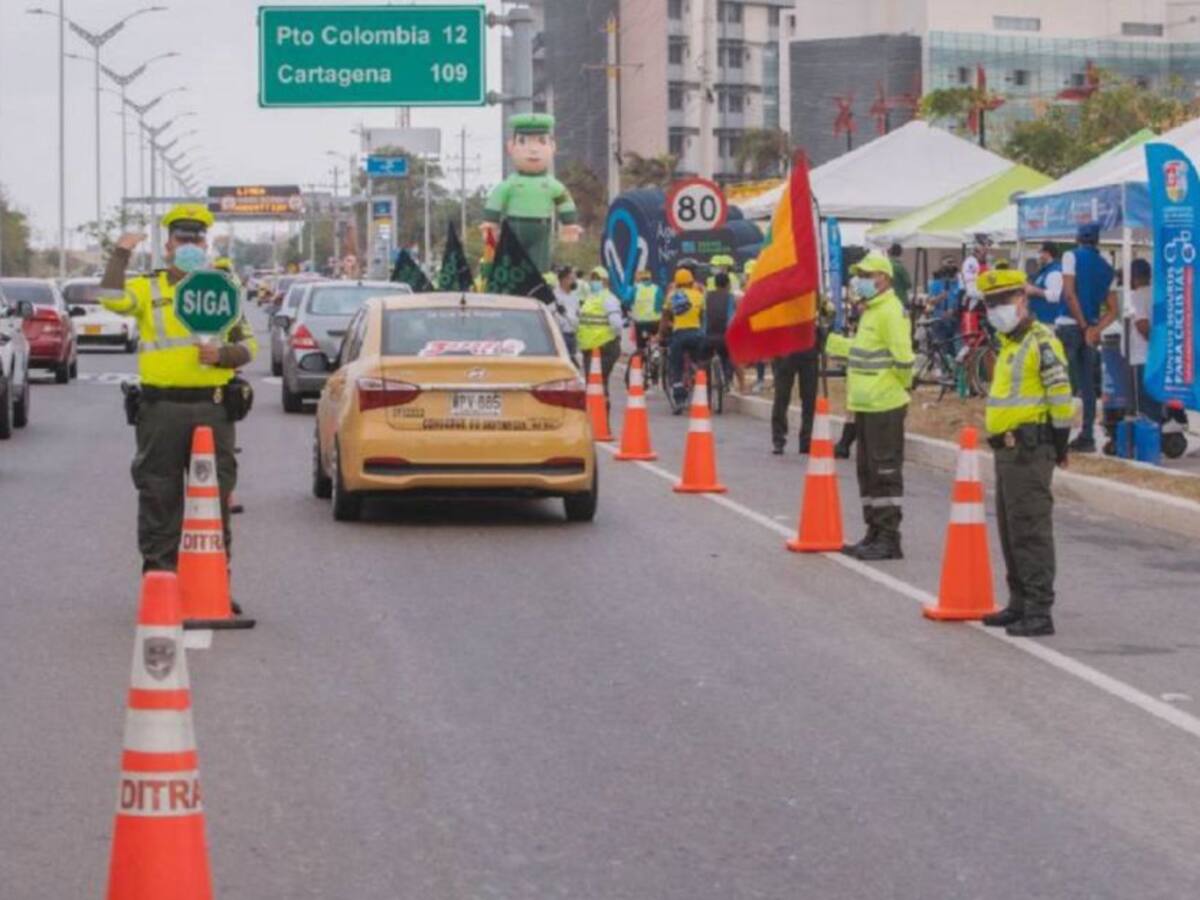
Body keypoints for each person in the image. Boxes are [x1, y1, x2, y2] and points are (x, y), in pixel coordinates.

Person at [99, 203, 257, 573]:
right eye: (182, 238)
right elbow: (109, 297)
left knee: (214, 498)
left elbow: (249, 346)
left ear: (207, 245)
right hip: (161, 410)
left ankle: (215, 581)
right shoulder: (147, 287)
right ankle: (160, 578)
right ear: (168, 245)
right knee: (158, 495)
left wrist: (222, 354)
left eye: (197, 238)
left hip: (213, 407)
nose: (190, 244)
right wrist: (121, 252)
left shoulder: (222, 289)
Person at [976, 269, 1073, 637]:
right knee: (1010, 528)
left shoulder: (1041, 341)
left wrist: (1060, 446)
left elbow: (1060, 398)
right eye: (990, 303)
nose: (996, 309)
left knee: (1030, 529)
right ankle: (1018, 603)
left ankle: (1038, 609)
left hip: (1031, 447)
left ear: (1022, 300)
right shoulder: (1010, 343)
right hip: (1008, 450)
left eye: (1003, 301)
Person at [824, 250, 913, 560]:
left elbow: (904, 359)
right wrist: (830, 341)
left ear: (884, 278)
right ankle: (873, 531)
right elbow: (863, 351)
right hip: (866, 404)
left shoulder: (891, 311)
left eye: (866, 276)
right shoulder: (872, 311)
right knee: (867, 471)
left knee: (884, 471)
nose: (859, 281)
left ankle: (889, 537)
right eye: (859, 276)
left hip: (884, 404)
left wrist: (897, 387)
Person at [1057, 223, 1115, 453]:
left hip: (1070, 327)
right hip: (1090, 331)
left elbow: (1069, 294)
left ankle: (1056, 433)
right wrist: (1094, 329)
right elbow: (1113, 310)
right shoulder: (1107, 266)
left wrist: (1082, 325)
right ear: (1097, 241)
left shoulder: (1071, 256)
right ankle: (1087, 437)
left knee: (1059, 382)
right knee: (1087, 386)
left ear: (1077, 237)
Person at [660, 267, 707, 411]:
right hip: (697, 335)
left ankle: (679, 397)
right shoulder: (699, 296)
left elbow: (665, 318)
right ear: (691, 282)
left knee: (676, 366)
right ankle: (701, 380)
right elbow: (703, 317)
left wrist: (661, 334)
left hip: (679, 336)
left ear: (677, 283)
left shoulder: (672, 296)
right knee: (700, 361)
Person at [577, 266, 623, 401]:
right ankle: (597, 414)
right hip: (589, 349)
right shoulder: (590, 299)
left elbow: (616, 324)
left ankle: (602, 413)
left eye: (597, 279)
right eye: (592, 279)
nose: (594, 282)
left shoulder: (609, 299)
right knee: (594, 385)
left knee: (597, 384)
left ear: (605, 282)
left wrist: (613, 338)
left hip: (603, 348)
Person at [1125, 258, 1161, 422]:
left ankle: (1151, 439)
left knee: (1144, 402)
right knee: (1156, 398)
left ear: (1133, 277)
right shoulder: (1158, 293)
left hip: (1142, 356)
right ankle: (1160, 431)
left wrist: (1152, 344)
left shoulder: (1138, 295)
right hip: (1158, 357)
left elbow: (1142, 325)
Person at [1024, 242, 1063, 325]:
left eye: (1039, 252)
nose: (1038, 255)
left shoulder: (1054, 272)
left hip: (1049, 320)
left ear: (1047, 253)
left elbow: (1057, 296)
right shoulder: (1044, 271)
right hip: (1040, 320)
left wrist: (1034, 291)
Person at [630, 269, 663, 357]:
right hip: (655, 322)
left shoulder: (636, 288)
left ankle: (640, 361)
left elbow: (626, 300)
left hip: (640, 323)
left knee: (641, 347)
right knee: (657, 344)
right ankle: (656, 358)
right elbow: (661, 305)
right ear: (650, 279)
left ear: (640, 279)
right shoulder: (657, 288)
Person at [552, 266, 581, 361]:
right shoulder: (554, 296)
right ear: (564, 280)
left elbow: (577, 313)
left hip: (572, 335)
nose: (574, 282)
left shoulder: (574, 296)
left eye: (575, 279)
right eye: (572, 279)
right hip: (559, 336)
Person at [888, 243, 912, 309]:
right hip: (901, 299)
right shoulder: (899, 267)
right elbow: (908, 284)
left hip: (887, 300)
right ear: (900, 252)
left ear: (890, 252)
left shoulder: (885, 265)